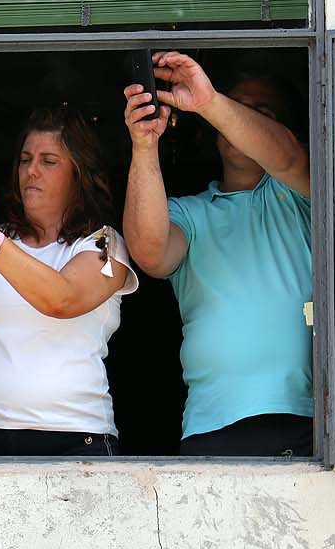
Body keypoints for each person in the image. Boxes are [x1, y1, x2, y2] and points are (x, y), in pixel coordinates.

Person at [121, 52, 313, 456]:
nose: (239, 118)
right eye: (236, 107)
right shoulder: (190, 214)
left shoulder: (303, 193)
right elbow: (150, 254)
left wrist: (211, 102)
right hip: (209, 422)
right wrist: (144, 145)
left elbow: (288, 157)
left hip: (297, 417)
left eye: (260, 112)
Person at [0, 105, 139, 456]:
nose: (31, 171)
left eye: (48, 161)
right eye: (25, 160)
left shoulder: (104, 243)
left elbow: (62, 300)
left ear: (79, 174)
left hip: (75, 438)